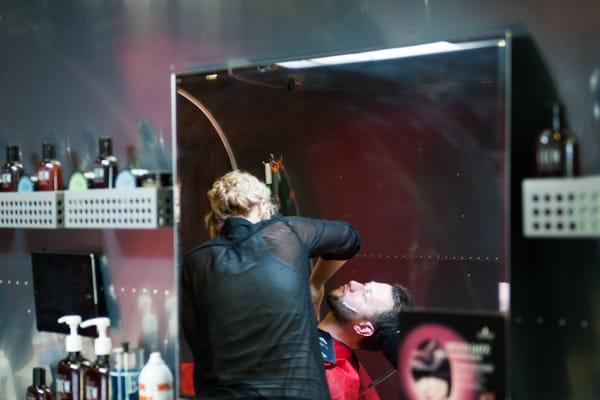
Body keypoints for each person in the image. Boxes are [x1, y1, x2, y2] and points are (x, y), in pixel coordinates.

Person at [181, 170, 361, 399]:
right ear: (260, 204)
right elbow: (350, 239)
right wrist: (316, 283)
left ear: (216, 213)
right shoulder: (286, 233)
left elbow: (198, 341)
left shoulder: (197, 260)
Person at [318, 280, 412, 400]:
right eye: (364, 285)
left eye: (365, 296)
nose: (353, 284)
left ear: (364, 328)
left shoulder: (330, 378)